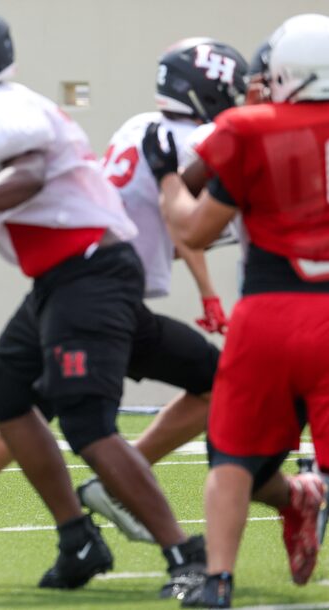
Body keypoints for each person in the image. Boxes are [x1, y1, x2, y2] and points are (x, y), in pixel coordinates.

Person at [0, 5, 204, 596]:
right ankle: (76, 536)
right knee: (6, 394)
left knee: (87, 423)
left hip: (90, 272)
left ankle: (188, 556)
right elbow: (31, 175)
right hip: (65, 277)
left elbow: (28, 175)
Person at [141, 14, 329, 607]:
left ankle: (217, 580)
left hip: (269, 313)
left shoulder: (249, 127)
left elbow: (193, 230)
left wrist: (167, 178)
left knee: (234, 452)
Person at [77, 38, 248, 541]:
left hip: (97, 285)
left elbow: (171, 227)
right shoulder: (199, 141)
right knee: (32, 418)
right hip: (106, 296)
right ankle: (109, 502)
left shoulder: (139, 125)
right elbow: (188, 226)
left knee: (25, 413)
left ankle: (108, 492)